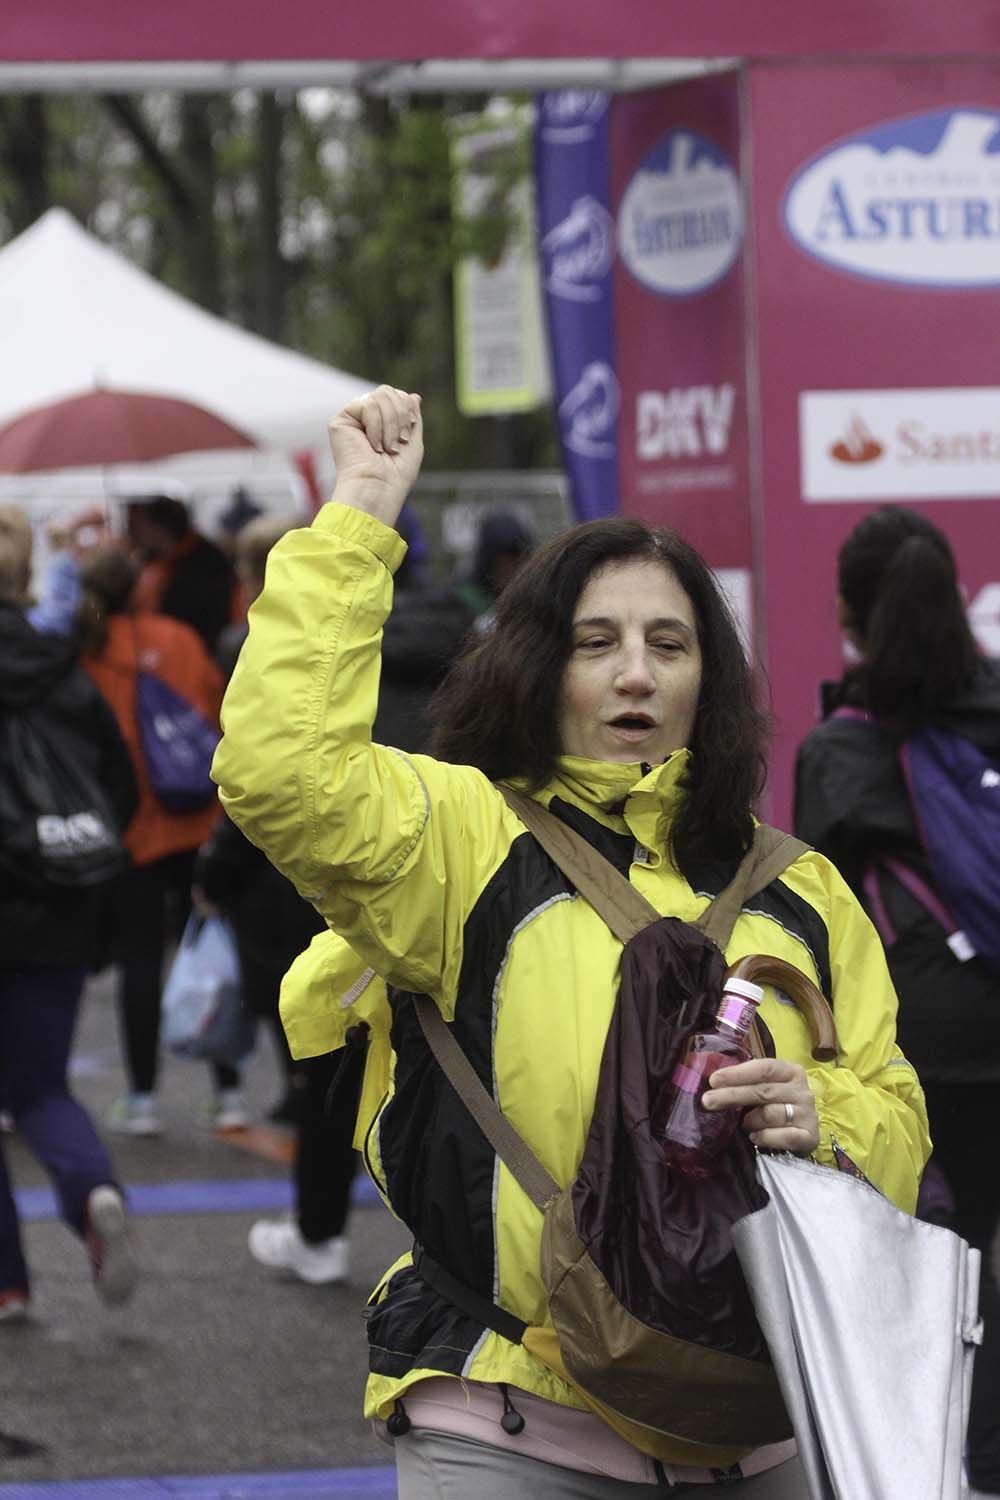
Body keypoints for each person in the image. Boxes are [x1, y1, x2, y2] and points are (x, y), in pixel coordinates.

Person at [213, 387, 929, 1499]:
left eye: (669, 643)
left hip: (765, 1427)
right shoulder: (460, 841)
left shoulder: (804, 890)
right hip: (512, 1424)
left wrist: (820, 1113)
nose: (635, 673)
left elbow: (897, 1120)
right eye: (596, 642)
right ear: (541, 667)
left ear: (710, 679)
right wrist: (360, 512)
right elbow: (278, 772)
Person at [794, 504, 1000, 1494]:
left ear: (847, 609)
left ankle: (931, 1464)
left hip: (917, 1046)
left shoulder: (836, 750)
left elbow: (812, 931)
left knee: (929, 1266)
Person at [0, 506, 139, 1320]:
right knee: (44, 1087)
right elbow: (116, 789)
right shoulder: (66, 669)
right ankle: (93, 1195)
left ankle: (8, 1284)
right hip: (57, 904)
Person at [75, 548, 239, 1135]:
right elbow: (219, 714)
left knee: (140, 962)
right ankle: (229, 1089)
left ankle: (142, 1097)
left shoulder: (86, 653)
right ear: (141, 589)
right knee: (210, 951)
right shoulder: (180, 639)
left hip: (128, 830)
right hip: (194, 817)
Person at [127, 493, 238, 653]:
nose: (132, 533)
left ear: (160, 527)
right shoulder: (149, 559)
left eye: (136, 525)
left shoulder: (204, 563)